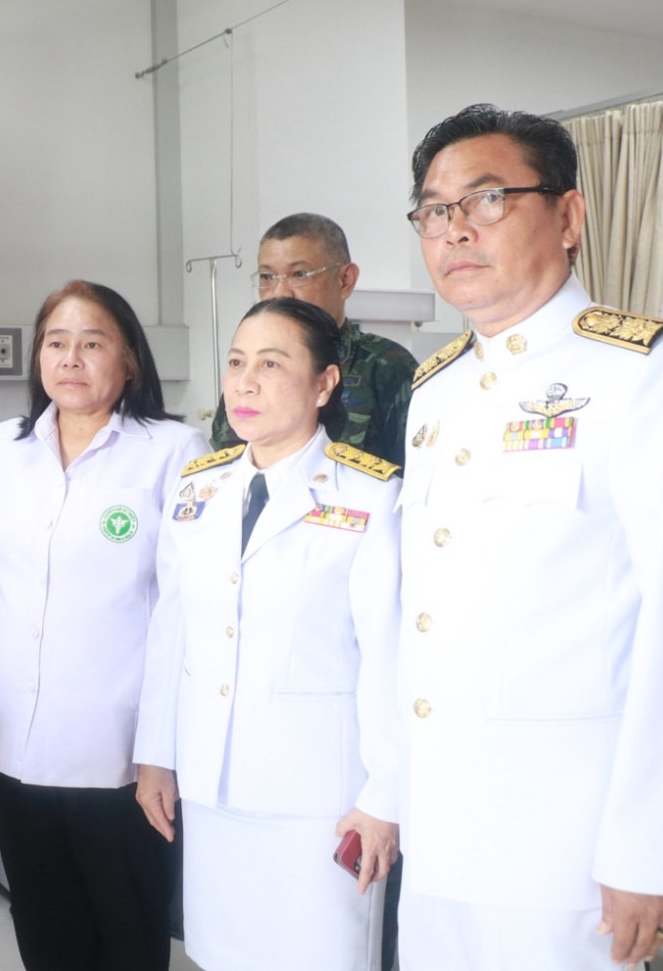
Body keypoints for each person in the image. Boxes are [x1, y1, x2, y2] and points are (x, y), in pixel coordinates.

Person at [396, 103, 663, 970]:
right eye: (434, 210)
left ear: (569, 215)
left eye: (487, 199)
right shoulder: (435, 391)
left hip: (567, 845)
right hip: (439, 832)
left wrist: (654, 852)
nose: (455, 229)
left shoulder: (648, 373)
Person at [0, 280, 208, 971]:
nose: (71, 358)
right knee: (43, 922)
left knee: (128, 930)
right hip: (11, 737)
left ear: (129, 361)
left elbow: (189, 606)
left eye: (92, 343)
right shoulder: (3, 447)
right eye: (56, 342)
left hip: (119, 748)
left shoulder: (174, 450)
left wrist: (164, 744)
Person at [135, 296, 402, 971]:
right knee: (223, 953)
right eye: (236, 363)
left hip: (320, 799)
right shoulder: (198, 490)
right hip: (213, 782)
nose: (245, 383)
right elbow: (172, 629)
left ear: (324, 383)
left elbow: (391, 657)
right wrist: (156, 755)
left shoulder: (372, 497)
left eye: (271, 364)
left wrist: (385, 797)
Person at [209, 214, 416, 470]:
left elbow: (416, 474)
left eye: (300, 274)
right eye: (267, 277)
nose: (280, 292)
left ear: (345, 280)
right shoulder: (247, 378)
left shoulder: (387, 367)